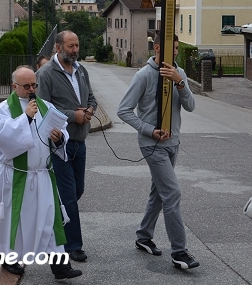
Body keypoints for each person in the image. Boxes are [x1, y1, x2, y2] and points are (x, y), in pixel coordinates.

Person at [0, 66, 82, 280]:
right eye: (27, 86)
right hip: (14, 176)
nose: (32, 90)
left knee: (50, 219)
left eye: (34, 85)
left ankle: (60, 266)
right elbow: (3, 139)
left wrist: (59, 137)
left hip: (42, 176)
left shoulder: (46, 106)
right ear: (14, 87)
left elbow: (61, 131)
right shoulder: (3, 109)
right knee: (13, 221)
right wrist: (26, 118)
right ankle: (9, 257)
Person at [117, 34, 199, 270]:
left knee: (159, 193)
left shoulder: (178, 73)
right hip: (152, 145)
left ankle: (143, 236)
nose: (174, 53)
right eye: (169, 49)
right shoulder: (143, 75)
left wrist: (180, 82)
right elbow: (124, 110)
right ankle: (179, 252)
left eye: (176, 49)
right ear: (156, 48)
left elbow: (191, 106)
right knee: (172, 193)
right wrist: (149, 130)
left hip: (173, 144)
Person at [35, 31, 97, 263]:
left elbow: (91, 98)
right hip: (59, 143)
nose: (75, 50)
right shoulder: (46, 73)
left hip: (79, 142)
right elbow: (42, 107)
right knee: (69, 195)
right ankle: (73, 246)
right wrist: (74, 116)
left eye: (77, 45)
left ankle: (54, 223)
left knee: (76, 191)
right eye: (70, 46)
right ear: (58, 47)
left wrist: (89, 111)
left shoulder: (81, 70)